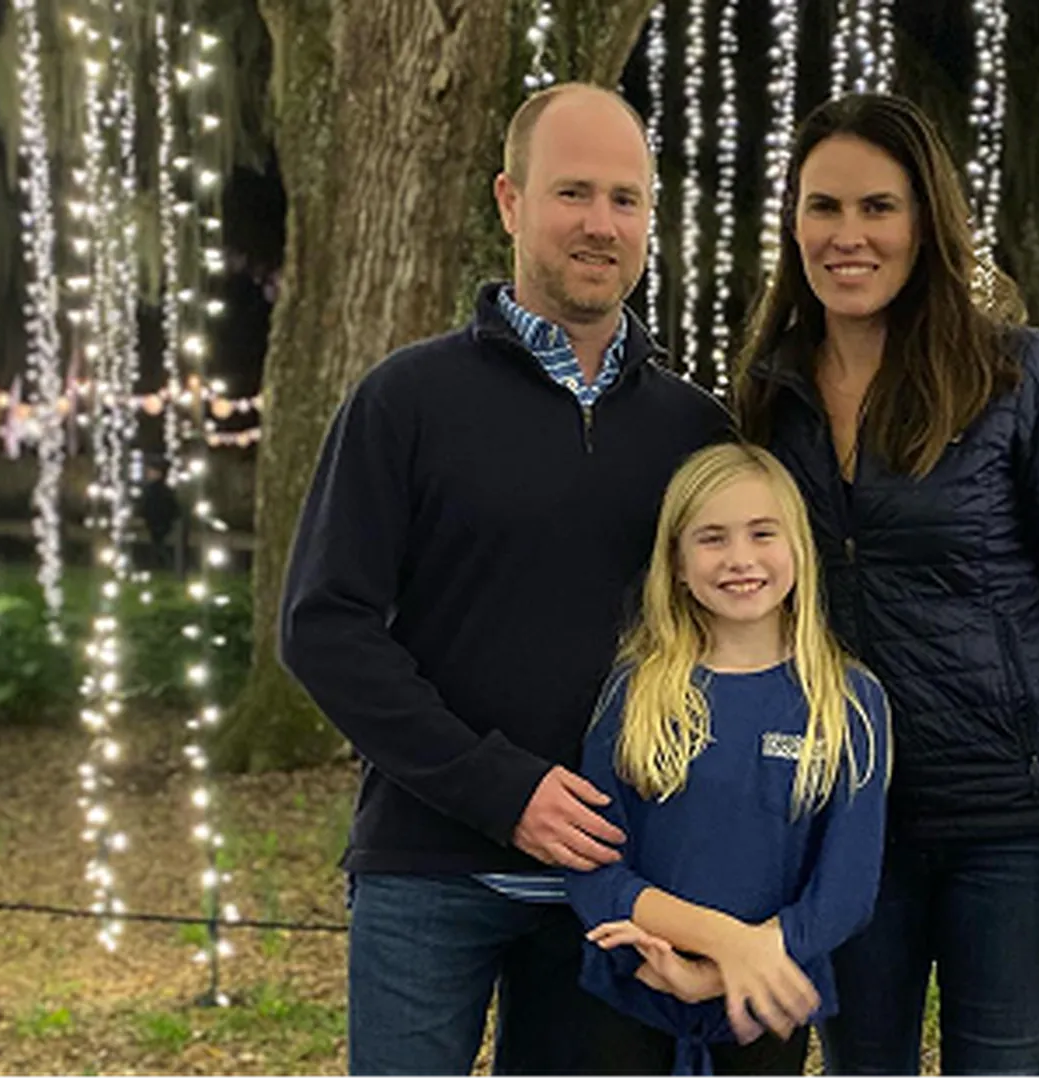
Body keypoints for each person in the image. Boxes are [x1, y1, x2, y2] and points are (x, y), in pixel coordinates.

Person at [279, 83, 732, 1079]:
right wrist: (499, 787)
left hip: (617, 885)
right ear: (509, 201)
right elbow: (326, 627)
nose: (600, 225)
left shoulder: (697, 432)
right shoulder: (405, 400)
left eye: (626, 199)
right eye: (573, 192)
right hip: (428, 868)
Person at [732, 93, 1039, 1080]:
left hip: (1016, 826)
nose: (847, 236)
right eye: (822, 207)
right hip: (846, 823)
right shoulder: (768, 398)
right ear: (792, 223)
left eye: (877, 208)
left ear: (927, 220)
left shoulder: (1017, 378)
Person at [565, 442, 889, 1080]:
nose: (740, 559)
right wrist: (722, 947)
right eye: (712, 538)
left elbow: (846, 891)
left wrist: (731, 969)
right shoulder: (636, 692)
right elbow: (593, 869)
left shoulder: (847, 701)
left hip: (767, 1000)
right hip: (633, 990)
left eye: (763, 534)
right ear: (678, 564)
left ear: (799, 547)